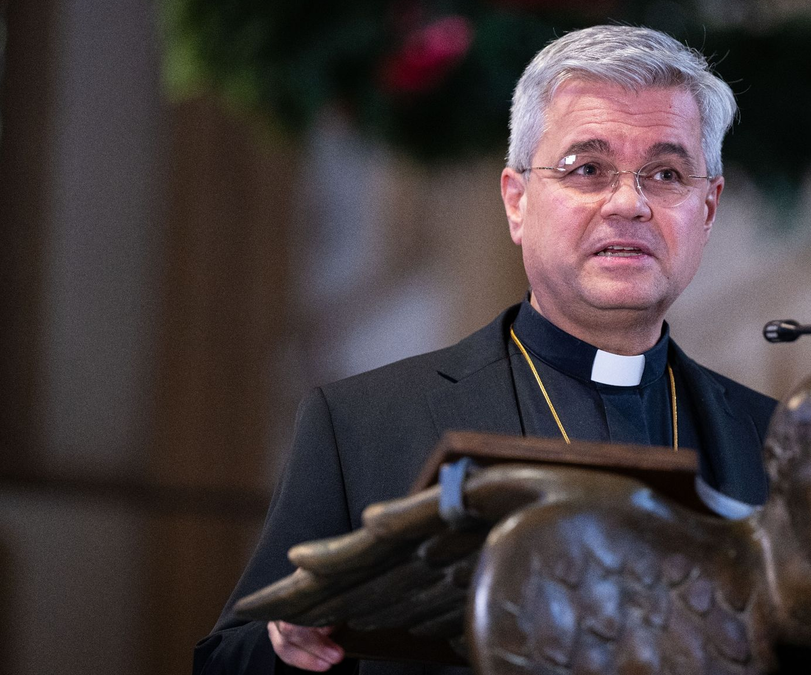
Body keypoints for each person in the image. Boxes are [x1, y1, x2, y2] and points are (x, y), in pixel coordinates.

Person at [194, 24, 777, 674]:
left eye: (666, 173)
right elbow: (227, 661)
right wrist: (287, 642)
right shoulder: (364, 425)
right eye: (588, 169)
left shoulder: (773, 442)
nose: (628, 203)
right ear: (517, 202)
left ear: (707, 208)